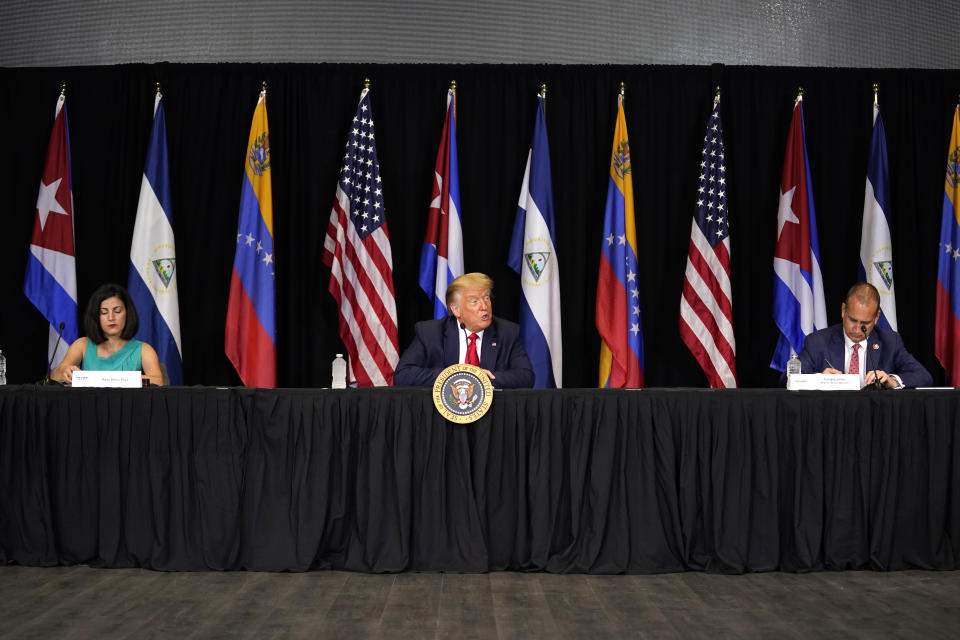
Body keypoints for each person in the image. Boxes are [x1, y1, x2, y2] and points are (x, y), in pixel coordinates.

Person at [394, 272, 534, 388]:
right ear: (456, 310)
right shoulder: (430, 332)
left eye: (486, 298)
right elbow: (403, 376)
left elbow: (526, 377)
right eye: (475, 301)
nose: (484, 306)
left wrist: (481, 379)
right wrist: (457, 375)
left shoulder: (506, 332)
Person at [786, 282, 932, 389]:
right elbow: (787, 379)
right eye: (852, 320)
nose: (856, 329)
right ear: (844, 310)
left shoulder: (890, 342)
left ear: (876, 318)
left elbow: (924, 376)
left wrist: (892, 380)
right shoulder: (818, 342)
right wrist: (818, 380)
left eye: (864, 324)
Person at [53, 283, 165, 386]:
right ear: (96, 316)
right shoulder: (82, 345)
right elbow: (54, 376)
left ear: (127, 313)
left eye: (117, 311)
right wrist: (64, 371)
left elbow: (158, 381)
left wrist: (110, 379)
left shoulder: (143, 349)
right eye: (104, 312)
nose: (111, 318)